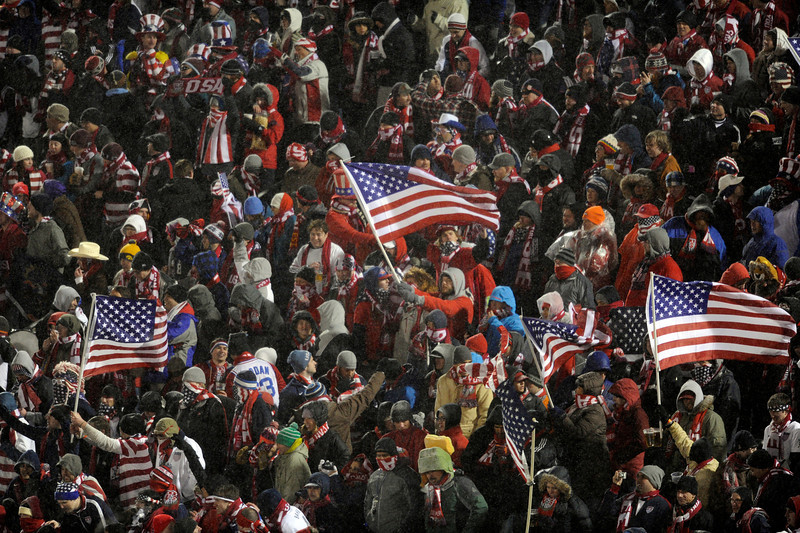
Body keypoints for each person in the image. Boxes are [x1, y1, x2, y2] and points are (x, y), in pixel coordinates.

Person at [417, 446, 487, 532]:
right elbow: (428, 516)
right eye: (427, 472)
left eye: (433, 470)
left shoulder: (460, 483)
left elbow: (481, 507)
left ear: (443, 469)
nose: (430, 475)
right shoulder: (429, 488)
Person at [364, 437, 423, 533]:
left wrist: (403, 527)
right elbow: (368, 501)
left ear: (393, 455)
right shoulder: (374, 476)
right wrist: (369, 521)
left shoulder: (407, 475)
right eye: (378, 456)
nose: (381, 459)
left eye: (384, 455)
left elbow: (414, 505)